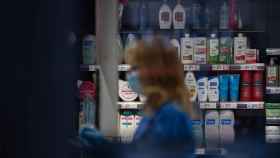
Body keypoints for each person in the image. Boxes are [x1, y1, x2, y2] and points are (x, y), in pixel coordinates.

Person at [78, 37, 195, 158]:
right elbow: (141, 149)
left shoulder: (170, 115)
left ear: (155, 71)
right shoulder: (157, 111)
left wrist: (105, 147)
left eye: (135, 68)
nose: (130, 74)